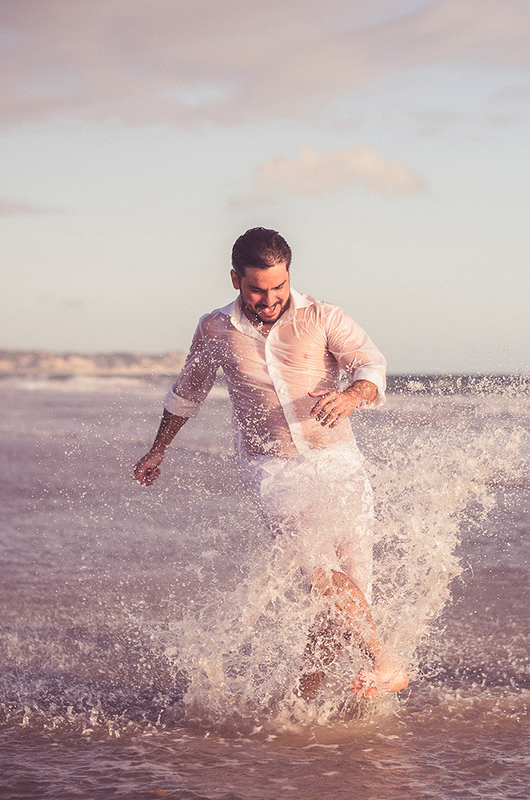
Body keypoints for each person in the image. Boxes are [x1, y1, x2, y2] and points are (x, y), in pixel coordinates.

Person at [132, 226, 407, 700]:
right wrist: (159, 448)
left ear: (289, 275)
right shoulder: (215, 328)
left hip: (338, 462)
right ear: (235, 279)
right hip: (273, 469)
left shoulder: (323, 316)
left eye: (278, 286)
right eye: (257, 289)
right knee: (318, 573)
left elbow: (371, 367)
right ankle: (386, 664)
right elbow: (188, 392)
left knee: (346, 595)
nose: (269, 298)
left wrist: (351, 396)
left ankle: (304, 701)